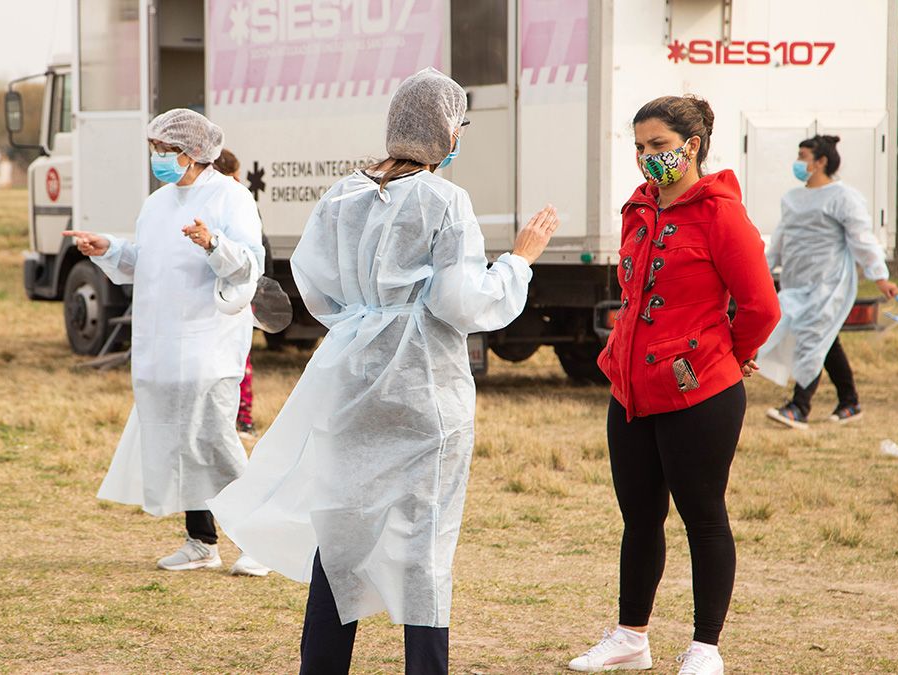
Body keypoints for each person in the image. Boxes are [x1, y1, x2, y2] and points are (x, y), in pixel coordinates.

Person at [207, 68, 560, 674]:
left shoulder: (342, 194)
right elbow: (461, 301)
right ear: (446, 129)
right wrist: (519, 263)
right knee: (424, 543)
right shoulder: (445, 200)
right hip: (423, 385)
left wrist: (363, 321)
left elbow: (315, 288)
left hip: (348, 378)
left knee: (341, 534)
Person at [569, 95, 780, 675]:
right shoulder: (638, 208)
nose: (646, 158)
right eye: (639, 147)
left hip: (700, 393)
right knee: (639, 518)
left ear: (691, 146)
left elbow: (761, 305)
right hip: (631, 389)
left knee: (703, 516)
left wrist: (732, 356)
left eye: (658, 146)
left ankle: (705, 648)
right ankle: (630, 637)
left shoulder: (720, 214)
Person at [63, 109, 270, 577]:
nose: (158, 158)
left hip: (208, 343)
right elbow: (147, 261)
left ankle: (258, 538)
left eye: (165, 150)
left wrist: (212, 243)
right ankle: (200, 541)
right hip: (160, 344)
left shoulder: (231, 198)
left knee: (215, 441)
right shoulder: (157, 204)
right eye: (154, 149)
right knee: (178, 443)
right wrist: (109, 250)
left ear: (194, 153)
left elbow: (248, 267)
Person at [757, 135, 898, 429]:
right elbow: (781, 241)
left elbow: (861, 238)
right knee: (824, 340)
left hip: (829, 285)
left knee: (811, 340)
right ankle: (850, 402)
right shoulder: (792, 199)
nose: (798, 162)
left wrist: (880, 276)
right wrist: (760, 272)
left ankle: (799, 407)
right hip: (796, 284)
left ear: (821, 161)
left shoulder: (843, 198)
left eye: (803, 156)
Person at [212, 148, 271, 440]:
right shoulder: (230, 199)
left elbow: (258, 251)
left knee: (239, 360)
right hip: (240, 293)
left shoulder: (234, 200)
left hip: (239, 293)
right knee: (238, 360)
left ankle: (242, 419)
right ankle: (238, 418)